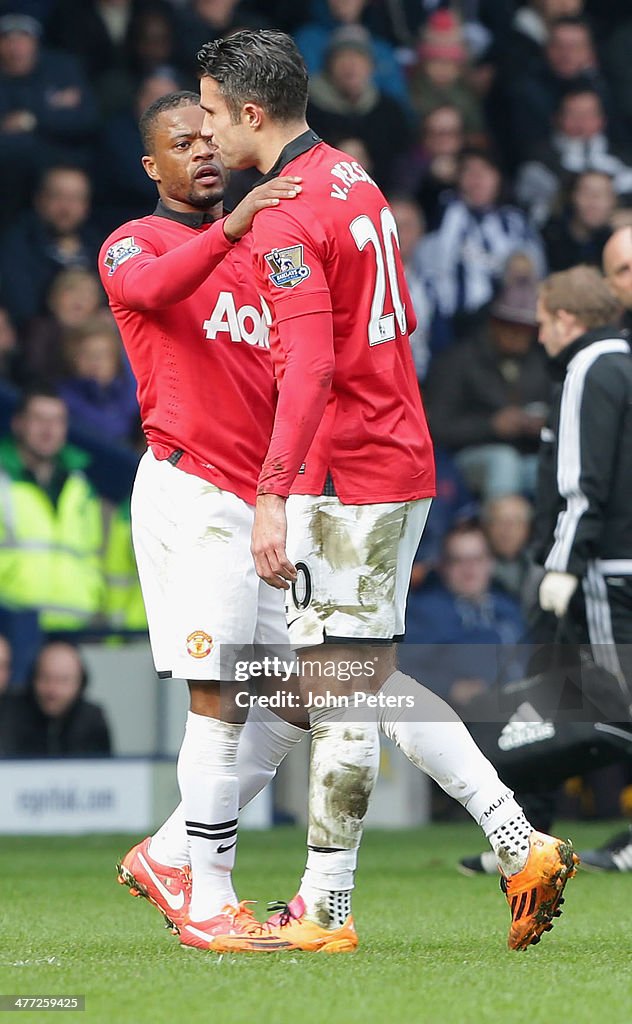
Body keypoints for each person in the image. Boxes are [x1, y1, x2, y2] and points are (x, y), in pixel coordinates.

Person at [197, 27, 577, 955]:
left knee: (340, 691)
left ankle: (326, 907)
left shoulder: (287, 218)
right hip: (395, 455)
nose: (204, 133)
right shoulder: (351, 176)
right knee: (367, 680)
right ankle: (518, 842)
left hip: (349, 474)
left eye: (210, 114)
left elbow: (312, 367)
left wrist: (275, 491)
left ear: (253, 113)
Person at [98, 89, 308, 950]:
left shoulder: (260, 248)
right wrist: (230, 229)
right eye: (181, 145)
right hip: (191, 495)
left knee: (298, 697)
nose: (203, 153)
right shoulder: (131, 243)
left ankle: (172, 851)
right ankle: (209, 900)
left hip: (260, 502)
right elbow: (149, 290)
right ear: (154, 166)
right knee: (217, 701)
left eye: (208, 137)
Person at [533, 264, 632, 868]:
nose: (541, 335)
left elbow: (580, 483)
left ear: (567, 320)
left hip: (607, 569)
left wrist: (562, 564)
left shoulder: (588, 367)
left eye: (544, 322)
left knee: (616, 705)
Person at [425, 277, 551, 500]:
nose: (519, 336)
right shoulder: (459, 360)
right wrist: (491, 425)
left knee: (550, 468)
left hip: (527, 452)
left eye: (527, 330)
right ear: (495, 323)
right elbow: (437, 426)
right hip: (467, 455)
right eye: (512, 328)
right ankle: (502, 534)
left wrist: (541, 423)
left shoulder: (538, 362)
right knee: (504, 462)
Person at [0, 387, 105, 632]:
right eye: (39, 419)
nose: (48, 429)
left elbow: (93, 553)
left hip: (76, 624)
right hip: (10, 625)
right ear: (18, 424)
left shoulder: (81, 486)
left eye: (57, 420)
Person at [401, 521, 526, 713]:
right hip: (462, 721)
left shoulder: (509, 608)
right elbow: (397, 670)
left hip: (523, 712)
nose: (470, 570)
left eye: (477, 559)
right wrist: (451, 687)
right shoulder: (425, 613)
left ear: (491, 562)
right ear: (443, 567)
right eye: (458, 560)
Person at [0, 640, 111, 757]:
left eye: (63, 680)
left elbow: (105, 768)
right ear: (33, 679)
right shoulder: (10, 712)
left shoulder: (92, 719)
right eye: (45, 678)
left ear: (80, 683)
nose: (53, 690)